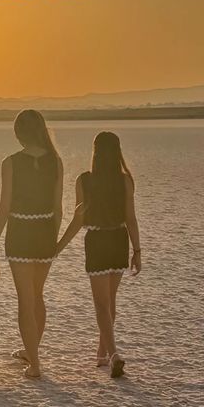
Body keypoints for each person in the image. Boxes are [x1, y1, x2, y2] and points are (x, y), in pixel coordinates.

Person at [56, 130, 142, 378]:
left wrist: (58, 246)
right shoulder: (125, 181)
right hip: (118, 240)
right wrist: (137, 251)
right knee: (110, 301)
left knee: (102, 304)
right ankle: (102, 353)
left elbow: (78, 220)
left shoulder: (84, 181)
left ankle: (113, 354)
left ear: (95, 152)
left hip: (97, 240)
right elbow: (131, 219)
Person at [0, 109, 63, 380]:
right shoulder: (55, 161)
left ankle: (35, 363)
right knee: (37, 296)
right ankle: (32, 353)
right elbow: (58, 209)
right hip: (45, 233)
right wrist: (53, 238)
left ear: (18, 132)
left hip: (20, 232)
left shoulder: (10, 163)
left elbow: (4, 207)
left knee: (26, 300)